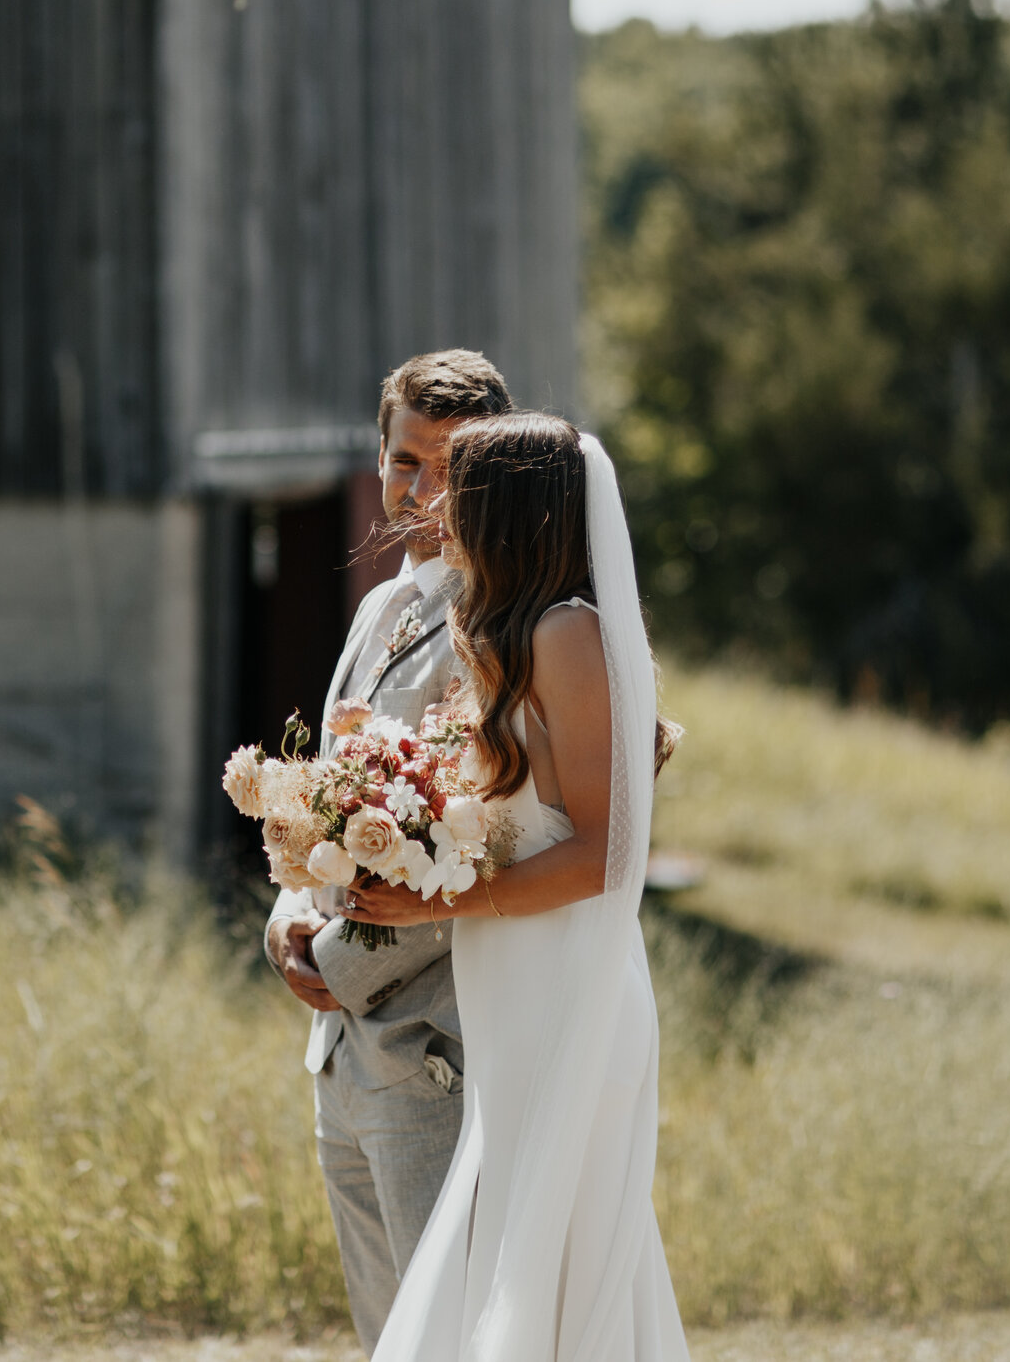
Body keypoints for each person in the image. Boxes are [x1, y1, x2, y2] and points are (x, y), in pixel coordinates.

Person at [349, 413, 691, 1361]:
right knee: (518, 1246)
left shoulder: (565, 632)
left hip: (568, 993)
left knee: (556, 1257)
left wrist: (437, 901)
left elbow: (606, 854)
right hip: (512, 997)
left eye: (455, 485)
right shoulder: (503, 633)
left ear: (507, 505)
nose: (432, 502)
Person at [263, 349, 512, 1354]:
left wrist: (334, 960)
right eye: (404, 459)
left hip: (436, 1046)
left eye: (450, 462)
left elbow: (489, 841)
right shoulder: (378, 608)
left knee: (447, 1336)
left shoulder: (508, 629)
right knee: (386, 1338)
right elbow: (323, 804)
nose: (423, 488)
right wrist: (286, 917)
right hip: (339, 1055)